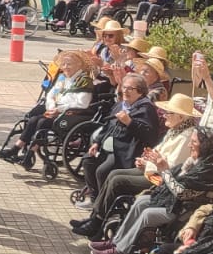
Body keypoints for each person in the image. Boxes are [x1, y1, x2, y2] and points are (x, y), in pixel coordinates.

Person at [89, 123, 213, 254]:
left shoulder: (210, 168)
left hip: (185, 210)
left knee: (148, 214)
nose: (189, 145)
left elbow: (182, 193)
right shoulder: (195, 161)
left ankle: (121, 253)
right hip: (174, 202)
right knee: (141, 201)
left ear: (206, 146)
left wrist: (164, 169)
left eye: (194, 142)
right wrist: (158, 165)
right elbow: (173, 178)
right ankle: (116, 243)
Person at [70, 91, 198, 238]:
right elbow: (158, 153)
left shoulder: (185, 137)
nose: (164, 115)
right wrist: (145, 161)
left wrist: (150, 161)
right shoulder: (175, 130)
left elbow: (172, 167)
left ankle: (97, 222)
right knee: (113, 174)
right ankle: (95, 218)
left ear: (180, 117)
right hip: (152, 171)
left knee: (118, 181)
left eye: (168, 112)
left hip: (161, 180)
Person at [78, 73, 163, 203]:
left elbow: (150, 136)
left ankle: (104, 204)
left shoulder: (146, 108)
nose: (125, 91)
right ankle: (95, 199)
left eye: (130, 89)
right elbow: (107, 126)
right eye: (124, 87)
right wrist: (96, 142)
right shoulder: (121, 105)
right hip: (108, 146)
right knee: (88, 160)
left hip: (125, 150)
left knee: (102, 171)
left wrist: (130, 122)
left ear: (140, 91)